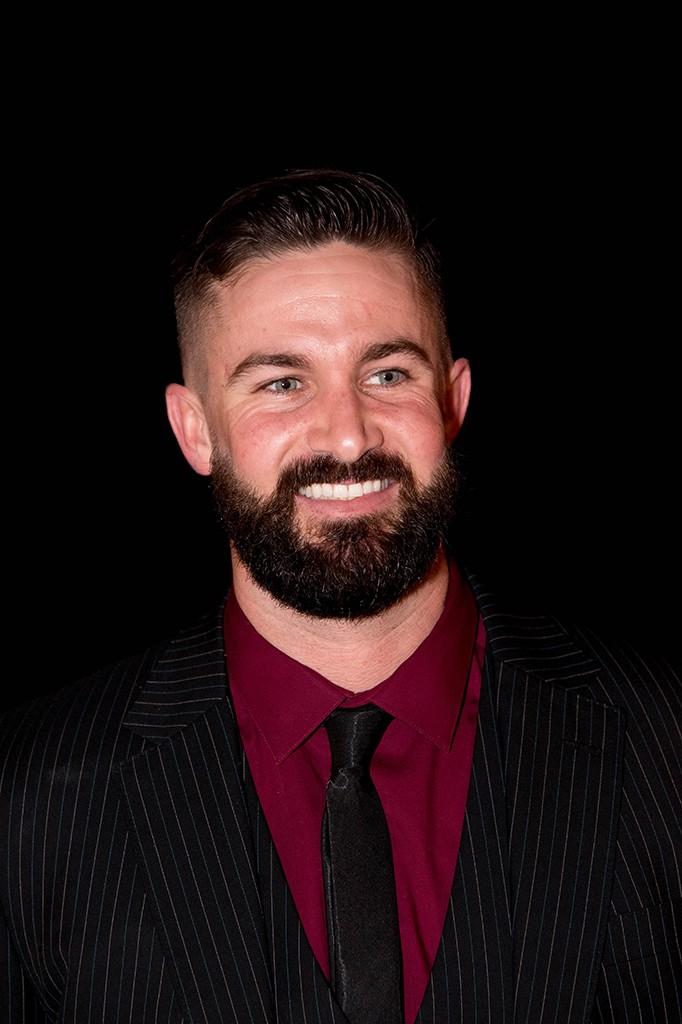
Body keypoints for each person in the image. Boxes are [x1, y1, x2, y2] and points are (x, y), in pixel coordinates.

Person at [1, 168, 679, 1024]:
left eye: (388, 373)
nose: (349, 433)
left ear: (454, 398)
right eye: (282, 383)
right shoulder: (30, 794)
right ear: (194, 429)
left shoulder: (664, 742)